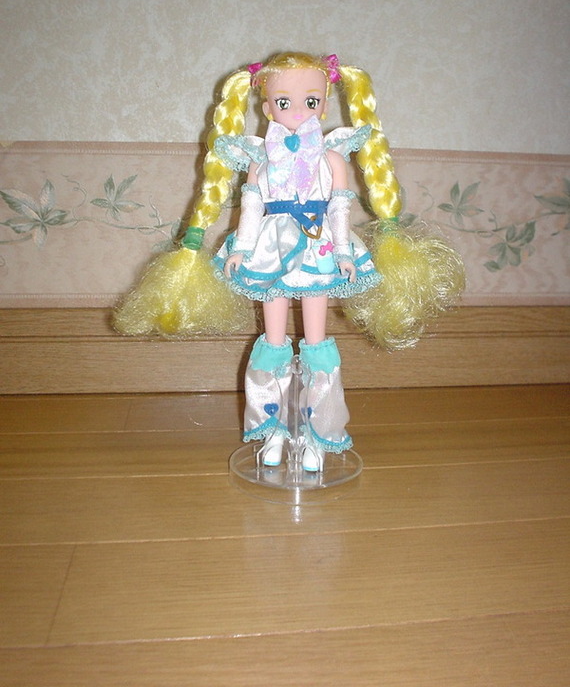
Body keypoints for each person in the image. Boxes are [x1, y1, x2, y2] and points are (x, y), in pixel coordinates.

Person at [114, 51, 464, 472]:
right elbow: (251, 209)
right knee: (273, 341)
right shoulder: (260, 161)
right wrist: (242, 249)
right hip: (269, 250)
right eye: (284, 102)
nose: (298, 110)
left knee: (317, 344)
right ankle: (274, 429)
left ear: (325, 104)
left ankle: (317, 434)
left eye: (310, 101)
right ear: (266, 108)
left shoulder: (332, 158)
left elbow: (339, 207)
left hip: (318, 249)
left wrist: (342, 250)